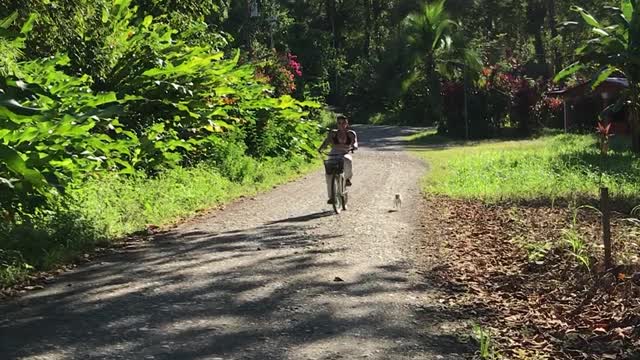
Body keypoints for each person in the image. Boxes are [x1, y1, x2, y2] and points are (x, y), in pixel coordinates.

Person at [318, 114, 358, 204]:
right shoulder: (333, 133)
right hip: (333, 154)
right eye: (339, 123)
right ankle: (332, 197)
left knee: (347, 160)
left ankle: (347, 179)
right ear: (337, 124)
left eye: (343, 123)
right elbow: (326, 142)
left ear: (347, 124)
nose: (341, 125)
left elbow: (355, 143)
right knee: (329, 176)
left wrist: (354, 147)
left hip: (345, 153)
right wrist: (320, 149)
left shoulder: (351, 133)